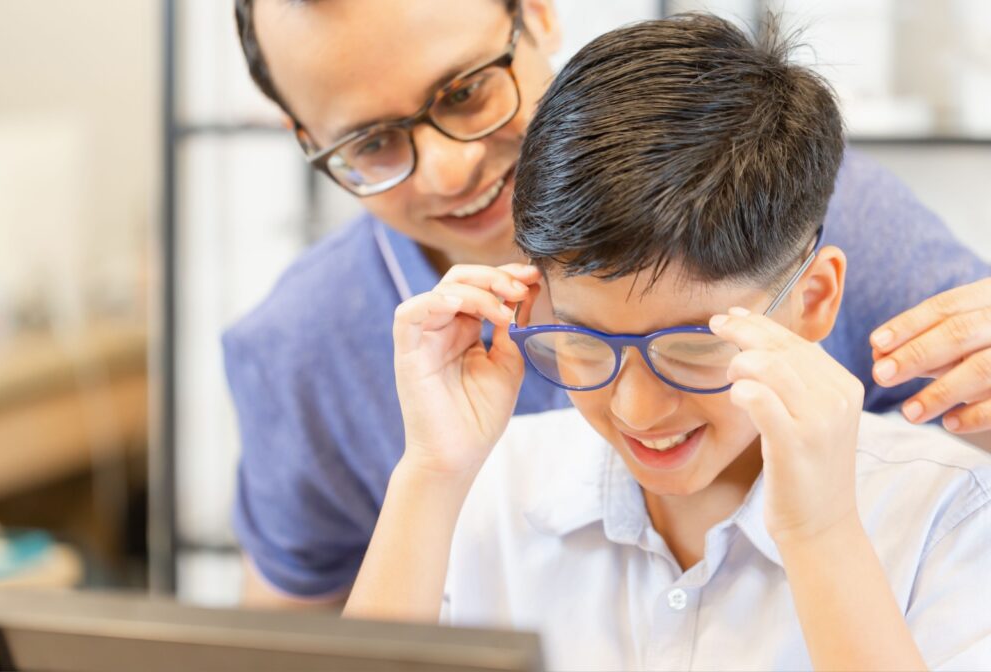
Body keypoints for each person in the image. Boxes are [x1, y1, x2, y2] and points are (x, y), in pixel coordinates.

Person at [226, 0, 991, 606]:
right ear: (307, 139)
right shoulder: (302, 350)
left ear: (538, 13)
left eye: (465, 94)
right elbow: (296, 641)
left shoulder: (785, 208)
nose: (449, 170)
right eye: (373, 143)